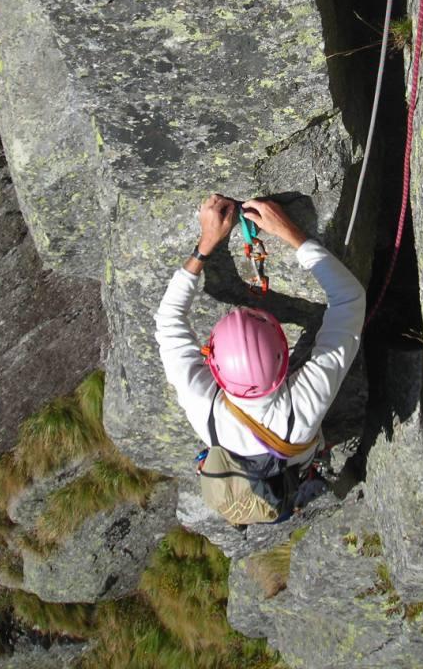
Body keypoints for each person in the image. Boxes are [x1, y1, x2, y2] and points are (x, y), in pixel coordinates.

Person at [154, 193, 366, 524]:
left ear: (214, 367)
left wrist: (206, 244)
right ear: (286, 365)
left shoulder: (212, 407)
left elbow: (167, 322)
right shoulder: (215, 411)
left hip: (294, 453)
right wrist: (290, 233)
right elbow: (350, 299)